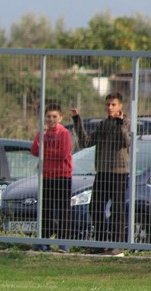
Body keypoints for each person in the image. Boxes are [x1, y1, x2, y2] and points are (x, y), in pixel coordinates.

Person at [71, 92, 131, 256]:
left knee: (117, 210)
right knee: (95, 207)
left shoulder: (126, 123)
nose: (110, 107)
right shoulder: (103, 124)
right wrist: (77, 120)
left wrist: (119, 123)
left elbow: (126, 141)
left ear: (120, 106)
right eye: (107, 105)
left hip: (119, 173)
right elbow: (86, 142)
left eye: (113, 105)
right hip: (103, 172)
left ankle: (117, 246)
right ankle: (101, 243)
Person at [30, 103, 73, 252]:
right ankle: (44, 242)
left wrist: (45, 151)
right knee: (46, 210)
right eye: (48, 116)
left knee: (63, 211)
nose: (51, 119)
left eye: (54, 116)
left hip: (62, 176)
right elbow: (34, 151)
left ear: (60, 118)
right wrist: (41, 137)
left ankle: (63, 244)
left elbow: (63, 154)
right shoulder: (43, 133)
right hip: (47, 176)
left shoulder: (64, 133)